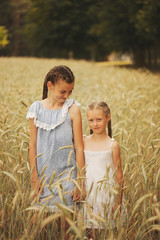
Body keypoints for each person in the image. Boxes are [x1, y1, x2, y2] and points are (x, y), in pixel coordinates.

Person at [26, 65, 85, 211]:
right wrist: (34, 177)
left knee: (66, 228)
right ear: (50, 86)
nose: (67, 96)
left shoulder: (73, 110)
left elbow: (79, 147)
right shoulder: (36, 108)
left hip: (67, 179)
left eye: (70, 91)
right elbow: (32, 145)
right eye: (63, 91)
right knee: (42, 228)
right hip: (43, 179)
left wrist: (80, 181)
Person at [84, 101, 123, 235]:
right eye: (91, 120)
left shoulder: (113, 145)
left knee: (106, 232)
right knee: (89, 232)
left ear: (108, 117)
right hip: (87, 194)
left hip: (106, 195)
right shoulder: (83, 141)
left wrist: (118, 202)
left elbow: (118, 175)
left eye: (99, 119)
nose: (95, 124)